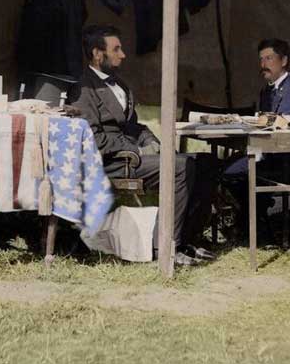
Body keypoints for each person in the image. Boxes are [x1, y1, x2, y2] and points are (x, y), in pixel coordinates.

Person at [70, 24, 219, 266]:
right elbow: (92, 138)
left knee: (206, 163)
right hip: (111, 162)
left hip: (132, 155)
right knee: (181, 168)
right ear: (98, 54)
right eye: (116, 49)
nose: (123, 54)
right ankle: (166, 246)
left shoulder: (121, 85)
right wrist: (136, 150)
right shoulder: (84, 88)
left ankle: (189, 239)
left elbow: (134, 126)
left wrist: (150, 141)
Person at [223, 37, 290, 234]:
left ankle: (255, 218)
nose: (263, 65)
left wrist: (281, 121)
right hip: (275, 157)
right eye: (261, 60)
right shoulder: (266, 92)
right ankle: (257, 215)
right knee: (227, 170)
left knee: (234, 172)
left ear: (284, 61)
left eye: (269, 59)